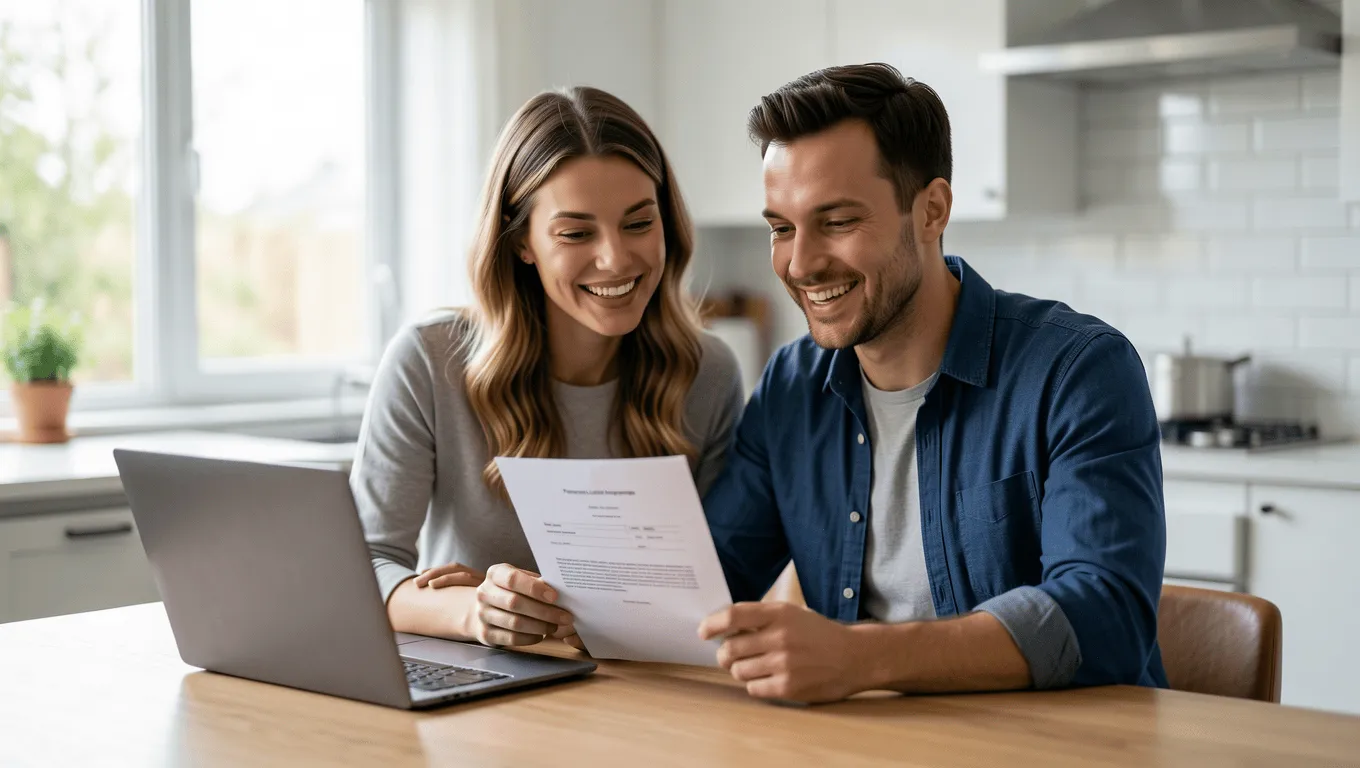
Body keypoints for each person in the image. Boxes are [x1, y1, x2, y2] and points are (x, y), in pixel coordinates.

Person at [698, 63, 1168, 703]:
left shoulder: (1077, 370)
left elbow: (1105, 616)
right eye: (781, 228)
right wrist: (560, 607)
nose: (800, 263)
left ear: (932, 210)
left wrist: (857, 657)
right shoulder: (791, 386)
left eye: (836, 222)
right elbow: (708, 580)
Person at [354, 86, 743, 650]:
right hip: (470, 698)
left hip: (642, 695)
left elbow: (719, 583)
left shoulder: (708, 372)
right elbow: (366, 562)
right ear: (522, 243)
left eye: (638, 223)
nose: (615, 258)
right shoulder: (427, 362)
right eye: (576, 233)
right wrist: (471, 611)